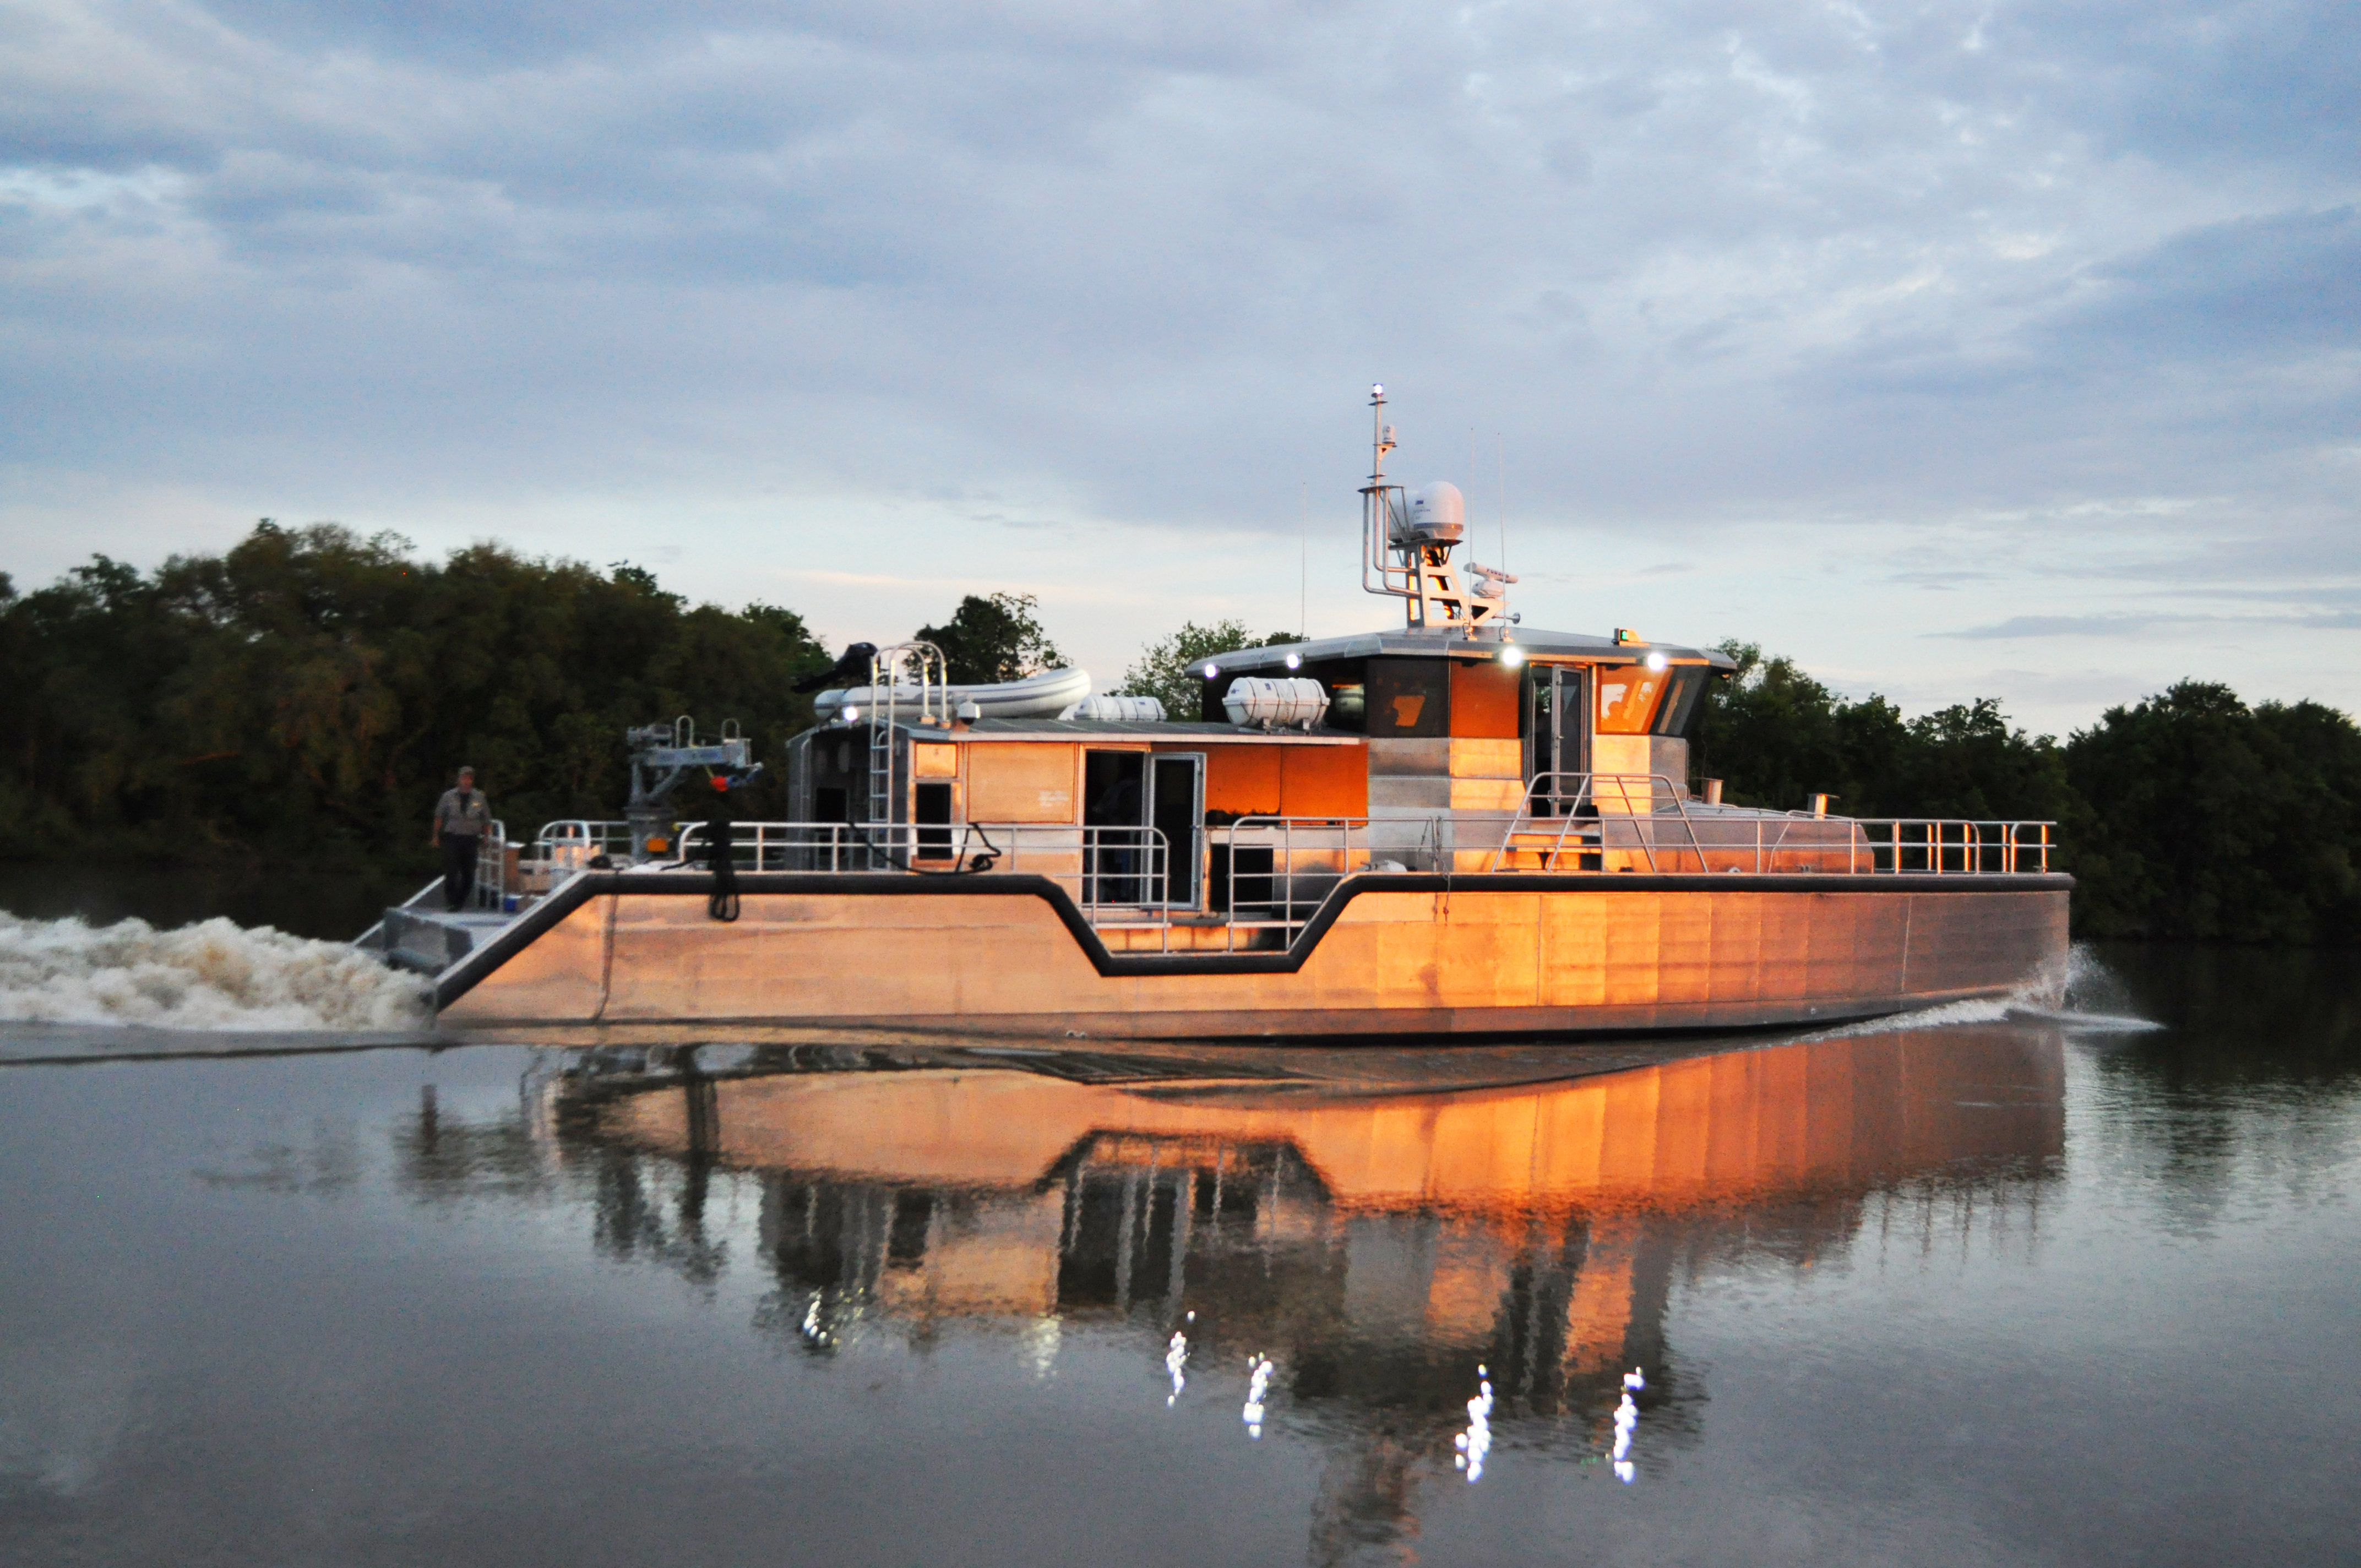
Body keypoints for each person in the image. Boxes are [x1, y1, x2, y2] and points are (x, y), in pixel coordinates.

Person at [431, 766, 492, 912]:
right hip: (452, 837)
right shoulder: (448, 796)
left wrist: (486, 837)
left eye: (469, 778)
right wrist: (435, 836)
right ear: (458, 779)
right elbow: (439, 817)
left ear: (472, 780)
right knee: (451, 871)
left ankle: (460, 901)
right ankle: (452, 902)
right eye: (463, 778)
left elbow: (486, 819)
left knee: (469, 874)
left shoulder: (479, 797)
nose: (466, 781)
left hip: (471, 839)